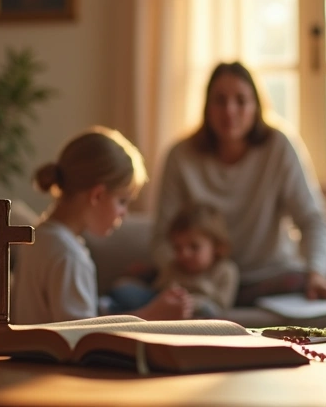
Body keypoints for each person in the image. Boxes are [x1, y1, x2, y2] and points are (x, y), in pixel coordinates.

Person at [153, 62, 326, 305]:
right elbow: (162, 237)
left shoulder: (278, 147)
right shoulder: (180, 156)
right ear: (207, 107)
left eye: (241, 100)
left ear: (256, 106)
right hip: (203, 282)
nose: (229, 110)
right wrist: (181, 277)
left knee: (300, 281)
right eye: (220, 100)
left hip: (269, 277)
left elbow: (314, 220)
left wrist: (317, 274)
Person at [12, 126, 193, 324]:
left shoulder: (38, 238)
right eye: (122, 201)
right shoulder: (68, 255)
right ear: (97, 195)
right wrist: (151, 315)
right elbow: (80, 337)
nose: (125, 212)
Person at [110, 203, 239, 318]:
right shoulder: (173, 266)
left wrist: (190, 302)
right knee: (124, 288)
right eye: (178, 248)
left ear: (216, 247)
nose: (184, 254)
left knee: (209, 311)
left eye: (194, 247)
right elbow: (158, 291)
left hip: (200, 309)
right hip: (164, 305)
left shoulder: (226, 271)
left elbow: (222, 306)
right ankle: (111, 310)